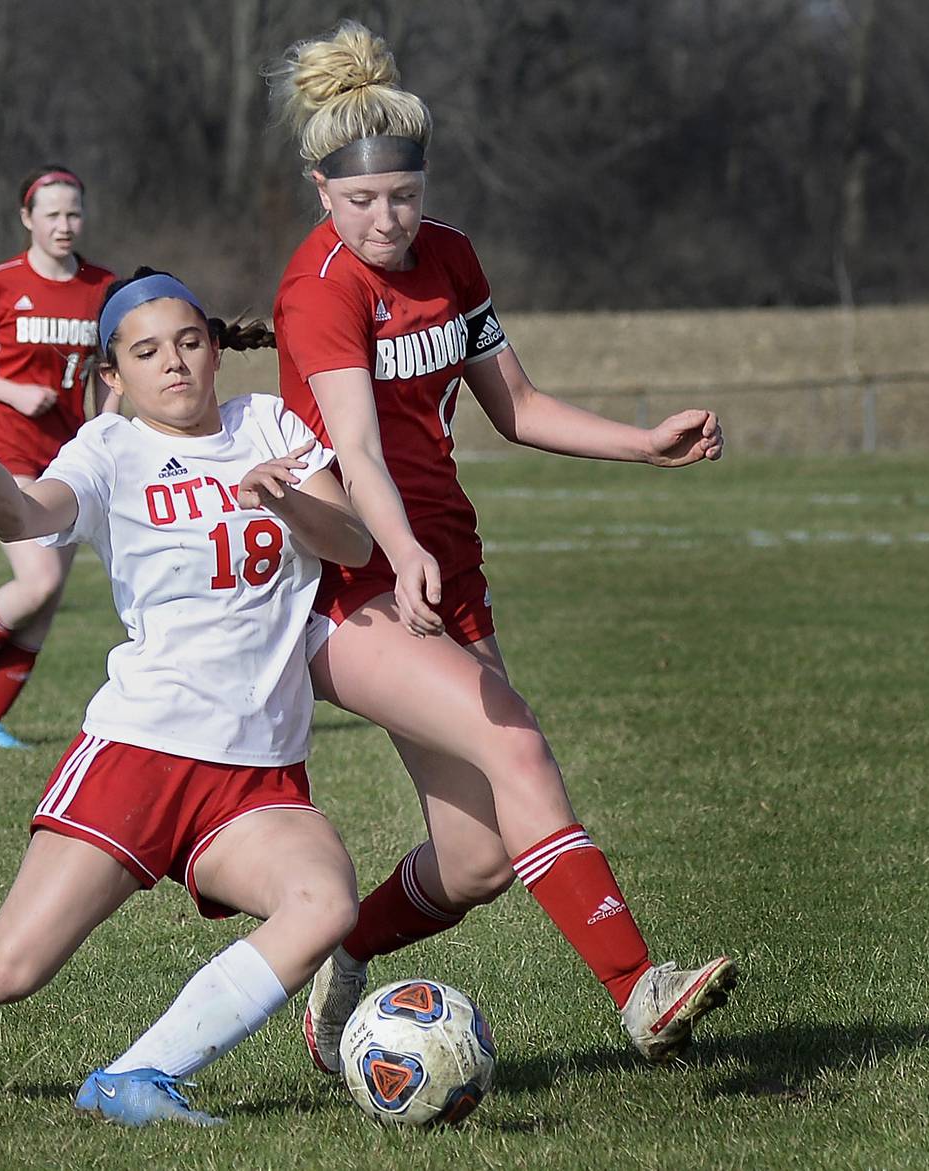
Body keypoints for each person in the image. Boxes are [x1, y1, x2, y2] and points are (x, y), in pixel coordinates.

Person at [266, 21, 737, 1072]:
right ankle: (638, 988)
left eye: (404, 194)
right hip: (351, 577)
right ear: (319, 190)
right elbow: (353, 449)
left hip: (444, 566)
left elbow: (515, 406)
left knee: (476, 856)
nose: (387, 218)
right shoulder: (320, 289)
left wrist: (643, 445)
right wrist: (398, 548)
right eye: (361, 201)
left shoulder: (454, 259)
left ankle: (343, 950)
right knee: (517, 744)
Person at [0, 271, 374, 1127]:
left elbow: (353, 538)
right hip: (140, 753)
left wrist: (283, 497)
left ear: (215, 348)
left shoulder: (268, 423)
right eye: (146, 352)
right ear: (113, 374)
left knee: (325, 903)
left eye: (187, 342)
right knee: (6, 971)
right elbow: (24, 516)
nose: (174, 363)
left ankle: (137, 1077)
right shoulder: (108, 448)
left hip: (259, 774)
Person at [0, 165, 116, 748]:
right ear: (27, 219)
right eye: (52, 214)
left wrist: (106, 425)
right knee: (35, 581)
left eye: (74, 213)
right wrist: (12, 392)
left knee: (47, 598)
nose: (65, 225)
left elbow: (112, 369)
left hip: (66, 453)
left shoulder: (101, 286)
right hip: (3, 446)